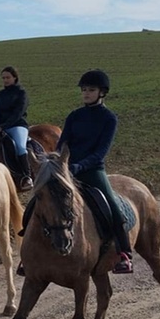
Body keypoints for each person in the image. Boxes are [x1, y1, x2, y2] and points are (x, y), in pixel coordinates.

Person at [57, 69, 133, 274]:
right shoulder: (74, 116)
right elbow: (62, 143)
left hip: (92, 171)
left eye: (91, 90)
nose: (86, 93)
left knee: (113, 208)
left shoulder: (109, 118)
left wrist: (79, 166)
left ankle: (124, 253)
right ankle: (30, 253)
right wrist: (59, 162)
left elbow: (100, 152)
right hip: (67, 170)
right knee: (42, 200)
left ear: (102, 92)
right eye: (84, 90)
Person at [0, 66, 32, 191]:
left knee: (20, 146)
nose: (5, 80)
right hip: (1, 127)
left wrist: (5, 125)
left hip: (17, 125)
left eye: (8, 77)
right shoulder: (0, 94)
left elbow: (18, 112)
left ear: (15, 77)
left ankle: (26, 176)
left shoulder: (21, 93)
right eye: (3, 78)